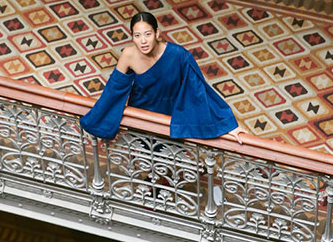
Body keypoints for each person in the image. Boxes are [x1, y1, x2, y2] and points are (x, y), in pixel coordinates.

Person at [80, 11, 248, 143]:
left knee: (171, 159)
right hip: (141, 115)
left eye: (148, 34)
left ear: (157, 33)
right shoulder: (128, 55)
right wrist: (96, 120)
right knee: (145, 159)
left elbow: (199, 89)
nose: (143, 41)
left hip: (170, 116)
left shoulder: (179, 55)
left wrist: (228, 125)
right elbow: (113, 90)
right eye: (137, 36)